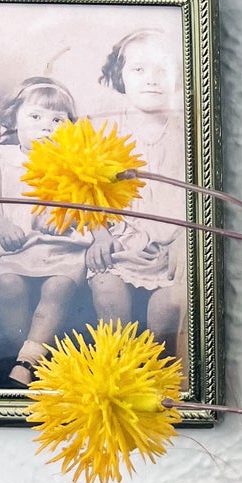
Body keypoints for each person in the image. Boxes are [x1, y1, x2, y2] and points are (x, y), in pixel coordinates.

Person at [0, 76, 89, 384]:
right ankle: (23, 357)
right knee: (8, 284)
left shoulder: (72, 166)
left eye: (57, 120)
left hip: (58, 248)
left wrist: (66, 217)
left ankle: (27, 361)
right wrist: (2, 226)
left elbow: (86, 206)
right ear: (13, 119)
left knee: (58, 287)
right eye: (35, 116)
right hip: (9, 246)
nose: (47, 126)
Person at [88, 28, 186, 355]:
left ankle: (154, 371)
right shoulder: (107, 130)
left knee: (166, 307)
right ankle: (117, 365)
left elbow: (201, 198)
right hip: (121, 239)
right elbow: (88, 190)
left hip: (174, 244)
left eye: (162, 69)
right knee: (107, 290)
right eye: (139, 69)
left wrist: (185, 239)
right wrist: (100, 235)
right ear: (121, 77)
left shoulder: (187, 132)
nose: (151, 79)